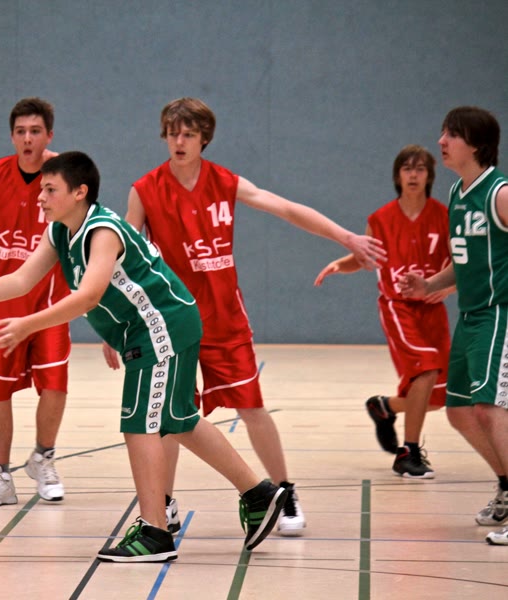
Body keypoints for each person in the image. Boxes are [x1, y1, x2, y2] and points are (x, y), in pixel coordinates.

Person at [0, 151, 288, 562]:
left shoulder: (102, 231)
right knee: (178, 420)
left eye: (50, 189)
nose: (40, 197)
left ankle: (155, 533)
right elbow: (22, 278)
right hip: (158, 327)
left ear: (79, 192)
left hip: (161, 326)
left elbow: (88, 296)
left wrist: (28, 324)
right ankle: (259, 494)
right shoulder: (59, 232)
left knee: (140, 424)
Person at [106, 97, 385, 537]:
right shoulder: (145, 190)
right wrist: (116, 323)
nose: (179, 141)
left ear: (204, 139)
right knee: (168, 417)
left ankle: (283, 491)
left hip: (224, 317)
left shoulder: (225, 182)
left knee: (252, 406)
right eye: (173, 133)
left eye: (188, 134)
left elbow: (286, 208)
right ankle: (164, 502)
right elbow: (119, 255)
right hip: (171, 320)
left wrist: (346, 237)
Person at [399, 107, 508, 546]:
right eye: (443, 132)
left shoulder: (499, 193)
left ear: (476, 144)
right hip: (470, 314)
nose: (442, 141)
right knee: (460, 412)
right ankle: (505, 485)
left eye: (452, 134)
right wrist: (430, 284)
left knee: (489, 409)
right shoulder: (459, 194)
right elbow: (464, 260)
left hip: (499, 313)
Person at [316, 145, 452, 478]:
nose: (413, 175)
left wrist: (449, 288)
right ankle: (408, 453)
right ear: (397, 176)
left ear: (429, 176)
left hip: (432, 308)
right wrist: (340, 264)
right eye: (407, 168)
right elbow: (364, 258)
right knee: (426, 370)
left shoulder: (444, 216)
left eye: (420, 169)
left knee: (436, 398)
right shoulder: (380, 219)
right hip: (398, 307)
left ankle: (384, 407)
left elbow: (461, 262)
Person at [0, 98, 71, 507]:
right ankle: (0, 475)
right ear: (12, 136)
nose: (28, 139)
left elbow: (81, 231)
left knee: (55, 385)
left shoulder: (63, 174)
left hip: (49, 301)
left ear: (49, 135)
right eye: (21, 132)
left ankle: (43, 457)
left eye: (35, 131)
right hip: (0, 299)